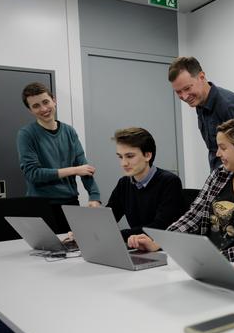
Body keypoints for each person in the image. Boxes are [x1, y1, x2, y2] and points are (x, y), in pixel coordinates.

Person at [127, 116, 234, 263]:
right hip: (206, 261)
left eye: (223, 148)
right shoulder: (219, 175)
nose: (218, 154)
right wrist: (160, 241)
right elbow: (193, 216)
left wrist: (220, 256)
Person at [17, 82, 100, 231]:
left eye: (45, 102)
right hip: (40, 207)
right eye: (36, 106)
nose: (43, 109)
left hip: (70, 204)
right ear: (30, 110)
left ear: (54, 100)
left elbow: (84, 168)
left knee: (76, 251)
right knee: (44, 253)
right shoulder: (26, 135)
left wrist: (94, 197)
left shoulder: (69, 132)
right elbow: (33, 174)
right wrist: (74, 170)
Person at [168, 56, 234, 171]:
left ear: (201, 77)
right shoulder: (200, 103)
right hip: (221, 176)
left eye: (187, 88)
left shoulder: (229, 107)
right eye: (178, 92)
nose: (184, 96)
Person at [106, 127, 185, 244]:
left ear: (147, 155)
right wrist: (87, 230)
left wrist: (116, 235)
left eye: (130, 156)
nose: (123, 163)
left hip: (164, 249)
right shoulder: (124, 183)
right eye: (120, 157)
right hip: (138, 247)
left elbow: (160, 227)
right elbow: (109, 217)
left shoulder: (170, 182)